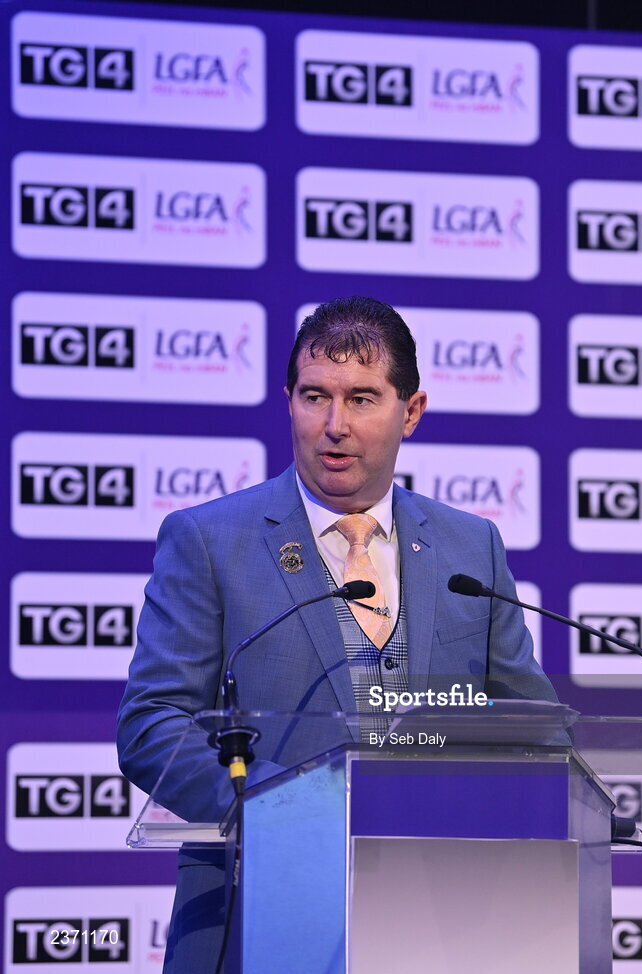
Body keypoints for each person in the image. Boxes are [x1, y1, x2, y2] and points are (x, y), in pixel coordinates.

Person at [117, 295, 558, 972]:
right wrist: (270, 807)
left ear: (409, 412)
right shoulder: (209, 540)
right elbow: (152, 723)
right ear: (287, 400)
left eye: (360, 399)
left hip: (442, 916)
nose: (333, 425)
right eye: (314, 396)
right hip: (259, 905)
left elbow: (531, 724)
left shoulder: (472, 546)